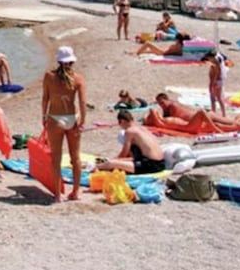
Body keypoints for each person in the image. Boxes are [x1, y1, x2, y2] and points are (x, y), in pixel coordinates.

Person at [41, 46, 86, 202]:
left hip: (55, 118)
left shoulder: (49, 76)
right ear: (72, 61)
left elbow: (45, 98)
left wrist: (44, 116)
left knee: (56, 158)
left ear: (58, 60)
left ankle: (57, 195)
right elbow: (82, 103)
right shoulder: (78, 78)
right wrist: (82, 121)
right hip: (72, 119)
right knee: (76, 158)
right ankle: (75, 192)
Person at [94, 110, 165, 174]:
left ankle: (92, 167)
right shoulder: (142, 128)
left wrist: (113, 161)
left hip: (150, 165)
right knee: (120, 161)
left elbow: (124, 153)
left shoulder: (129, 131)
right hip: (161, 163)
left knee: (111, 164)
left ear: (122, 121)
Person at [152, 92, 240, 129]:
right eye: (159, 104)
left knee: (234, 123)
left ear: (167, 99)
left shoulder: (172, 106)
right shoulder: (168, 107)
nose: (161, 105)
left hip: (206, 116)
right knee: (231, 123)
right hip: (203, 118)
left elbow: (167, 119)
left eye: (162, 103)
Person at [202, 52, 229, 117]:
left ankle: (220, 113)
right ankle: (218, 113)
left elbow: (216, 74)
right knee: (216, 98)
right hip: (217, 81)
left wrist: (213, 83)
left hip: (216, 81)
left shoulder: (215, 63)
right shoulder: (216, 62)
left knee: (216, 98)